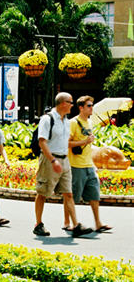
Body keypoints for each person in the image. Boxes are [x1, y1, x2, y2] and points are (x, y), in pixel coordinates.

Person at [33, 92, 93, 237]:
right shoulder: (47, 119)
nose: (73, 105)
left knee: (69, 193)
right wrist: (53, 160)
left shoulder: (66, 121)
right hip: (50, 160)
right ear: (63, 103)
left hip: (64, 160)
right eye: (71, 102)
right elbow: (42, 142)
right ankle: (38, 224)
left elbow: (66, 143)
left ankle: (76, 225)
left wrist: (84, 142)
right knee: (42, 193)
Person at [64, 95, 112, 232]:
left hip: (89, 165)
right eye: (89, 106)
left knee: (94, 194)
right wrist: (84, 142)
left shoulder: (90, 123)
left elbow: (89, 146)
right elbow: (66, 143)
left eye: (92, 105)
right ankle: (69, 222)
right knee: (72, 195)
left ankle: (98, 223)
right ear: (81, 108)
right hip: (76, 165)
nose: (92, 108)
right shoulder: (73, 123)